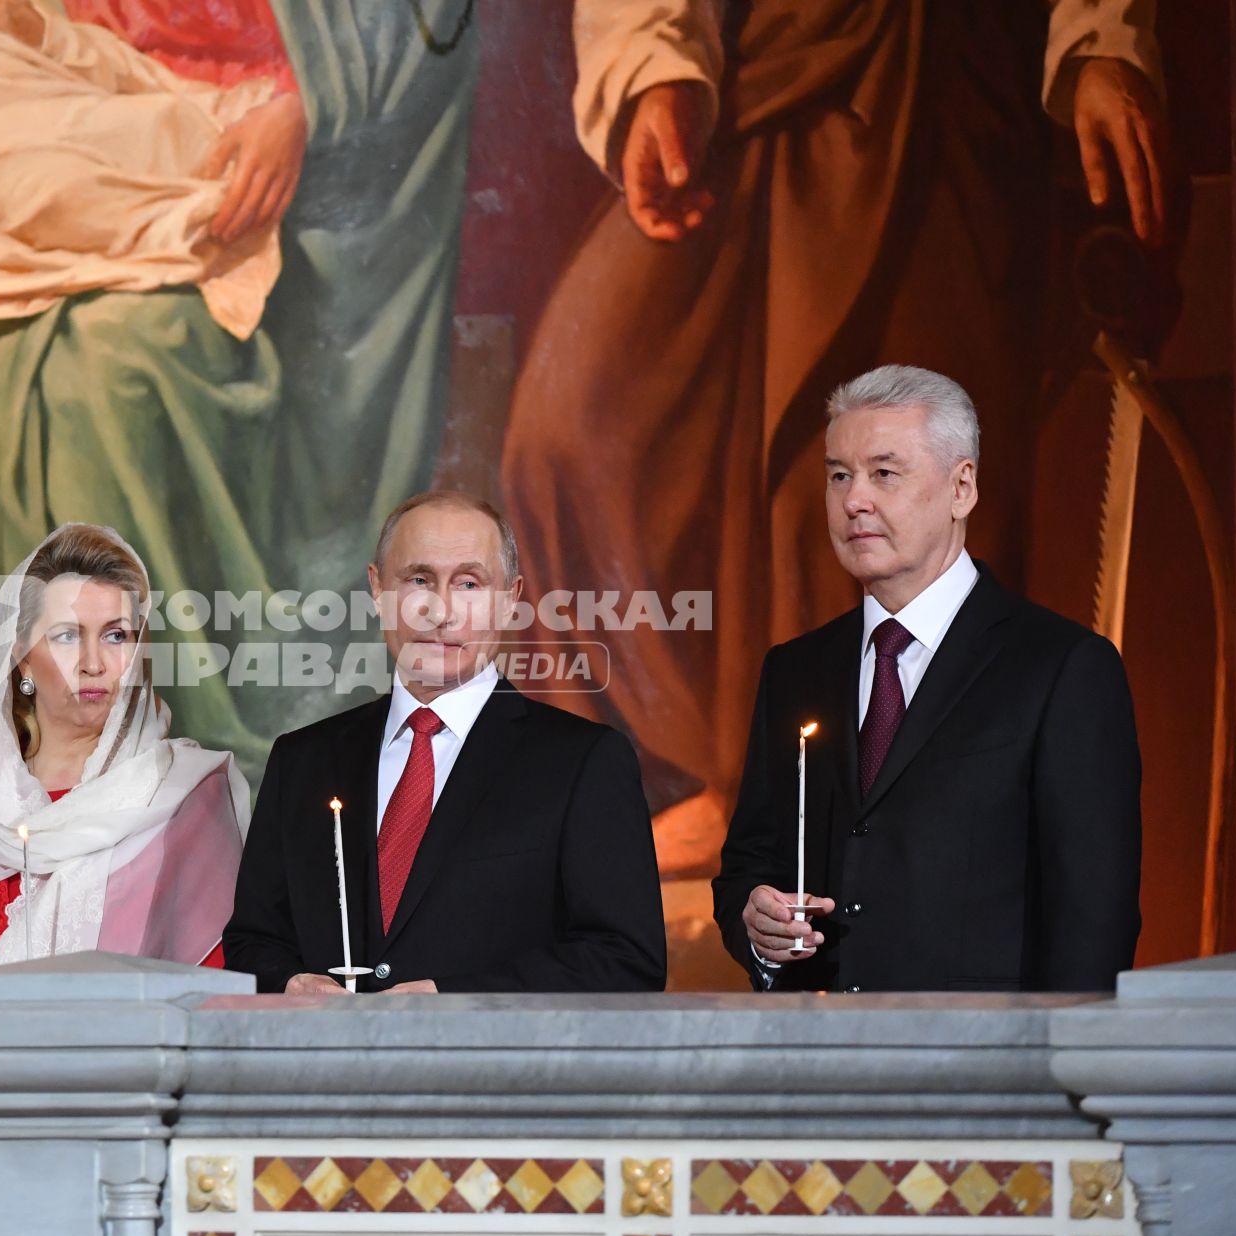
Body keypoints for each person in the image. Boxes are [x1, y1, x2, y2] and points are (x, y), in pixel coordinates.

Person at [498, 0, 1167, 870]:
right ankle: (726, 784)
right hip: (757, 78)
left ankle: (843, 818)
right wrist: (654, 68)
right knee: (567, 430)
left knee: (869, 469)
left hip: (940, 83)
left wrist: (1099, 44)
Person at [0, 0, 482, 781]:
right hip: (31, 106)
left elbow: (418, 34)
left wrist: (306, 109)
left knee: (101, 368)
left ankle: (90, 725)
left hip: (231, 146)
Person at [0, 524, 247, 1236]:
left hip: (137, 1175)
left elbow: (223, 1014)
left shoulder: (187, 801)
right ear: (21, 653)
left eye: (119, 635)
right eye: (68, 635)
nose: (97, 662)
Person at [712, 367, 1142, 993]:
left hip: (985, 1073)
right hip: (815, 1066)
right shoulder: (795, 671)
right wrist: (759, 929)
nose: (854, 499)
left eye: (884, 473)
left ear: (961, 486)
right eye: (839, 475)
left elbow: (1093, 918)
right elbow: (750, 860)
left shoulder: (1062, 667)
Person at [223, 492, 666, 995]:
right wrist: (290, 983)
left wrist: (452, 1000)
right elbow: (253, 941)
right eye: (418, 580)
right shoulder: (302, 762)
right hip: (327, 1069)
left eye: (469, 583)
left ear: (510, 598)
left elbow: (627, 961)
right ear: (377, 588)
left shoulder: (584, 762)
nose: (441, 610)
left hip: (489, 1071)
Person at [0, 0, 284, 342]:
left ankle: (179, 208)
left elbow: (340, 61)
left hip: (195, 117)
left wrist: (296, 109)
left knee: (33, 185)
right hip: (17, 109)